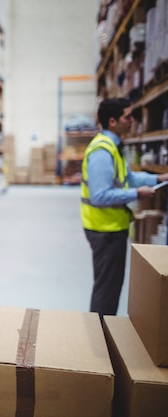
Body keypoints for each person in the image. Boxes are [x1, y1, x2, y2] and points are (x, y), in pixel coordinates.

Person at [81, 97, 168, 317]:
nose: (132, 120)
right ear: (113, 121)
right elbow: (99, 196)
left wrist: (157, 179)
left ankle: (101, 330)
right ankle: (100, 336)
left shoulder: (113, 146)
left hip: (111, 227)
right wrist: (137, 194)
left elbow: (128, 177)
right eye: (127, 116)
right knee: (107, 291)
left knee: (110, 286)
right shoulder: (102, 151)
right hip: (104, 229)